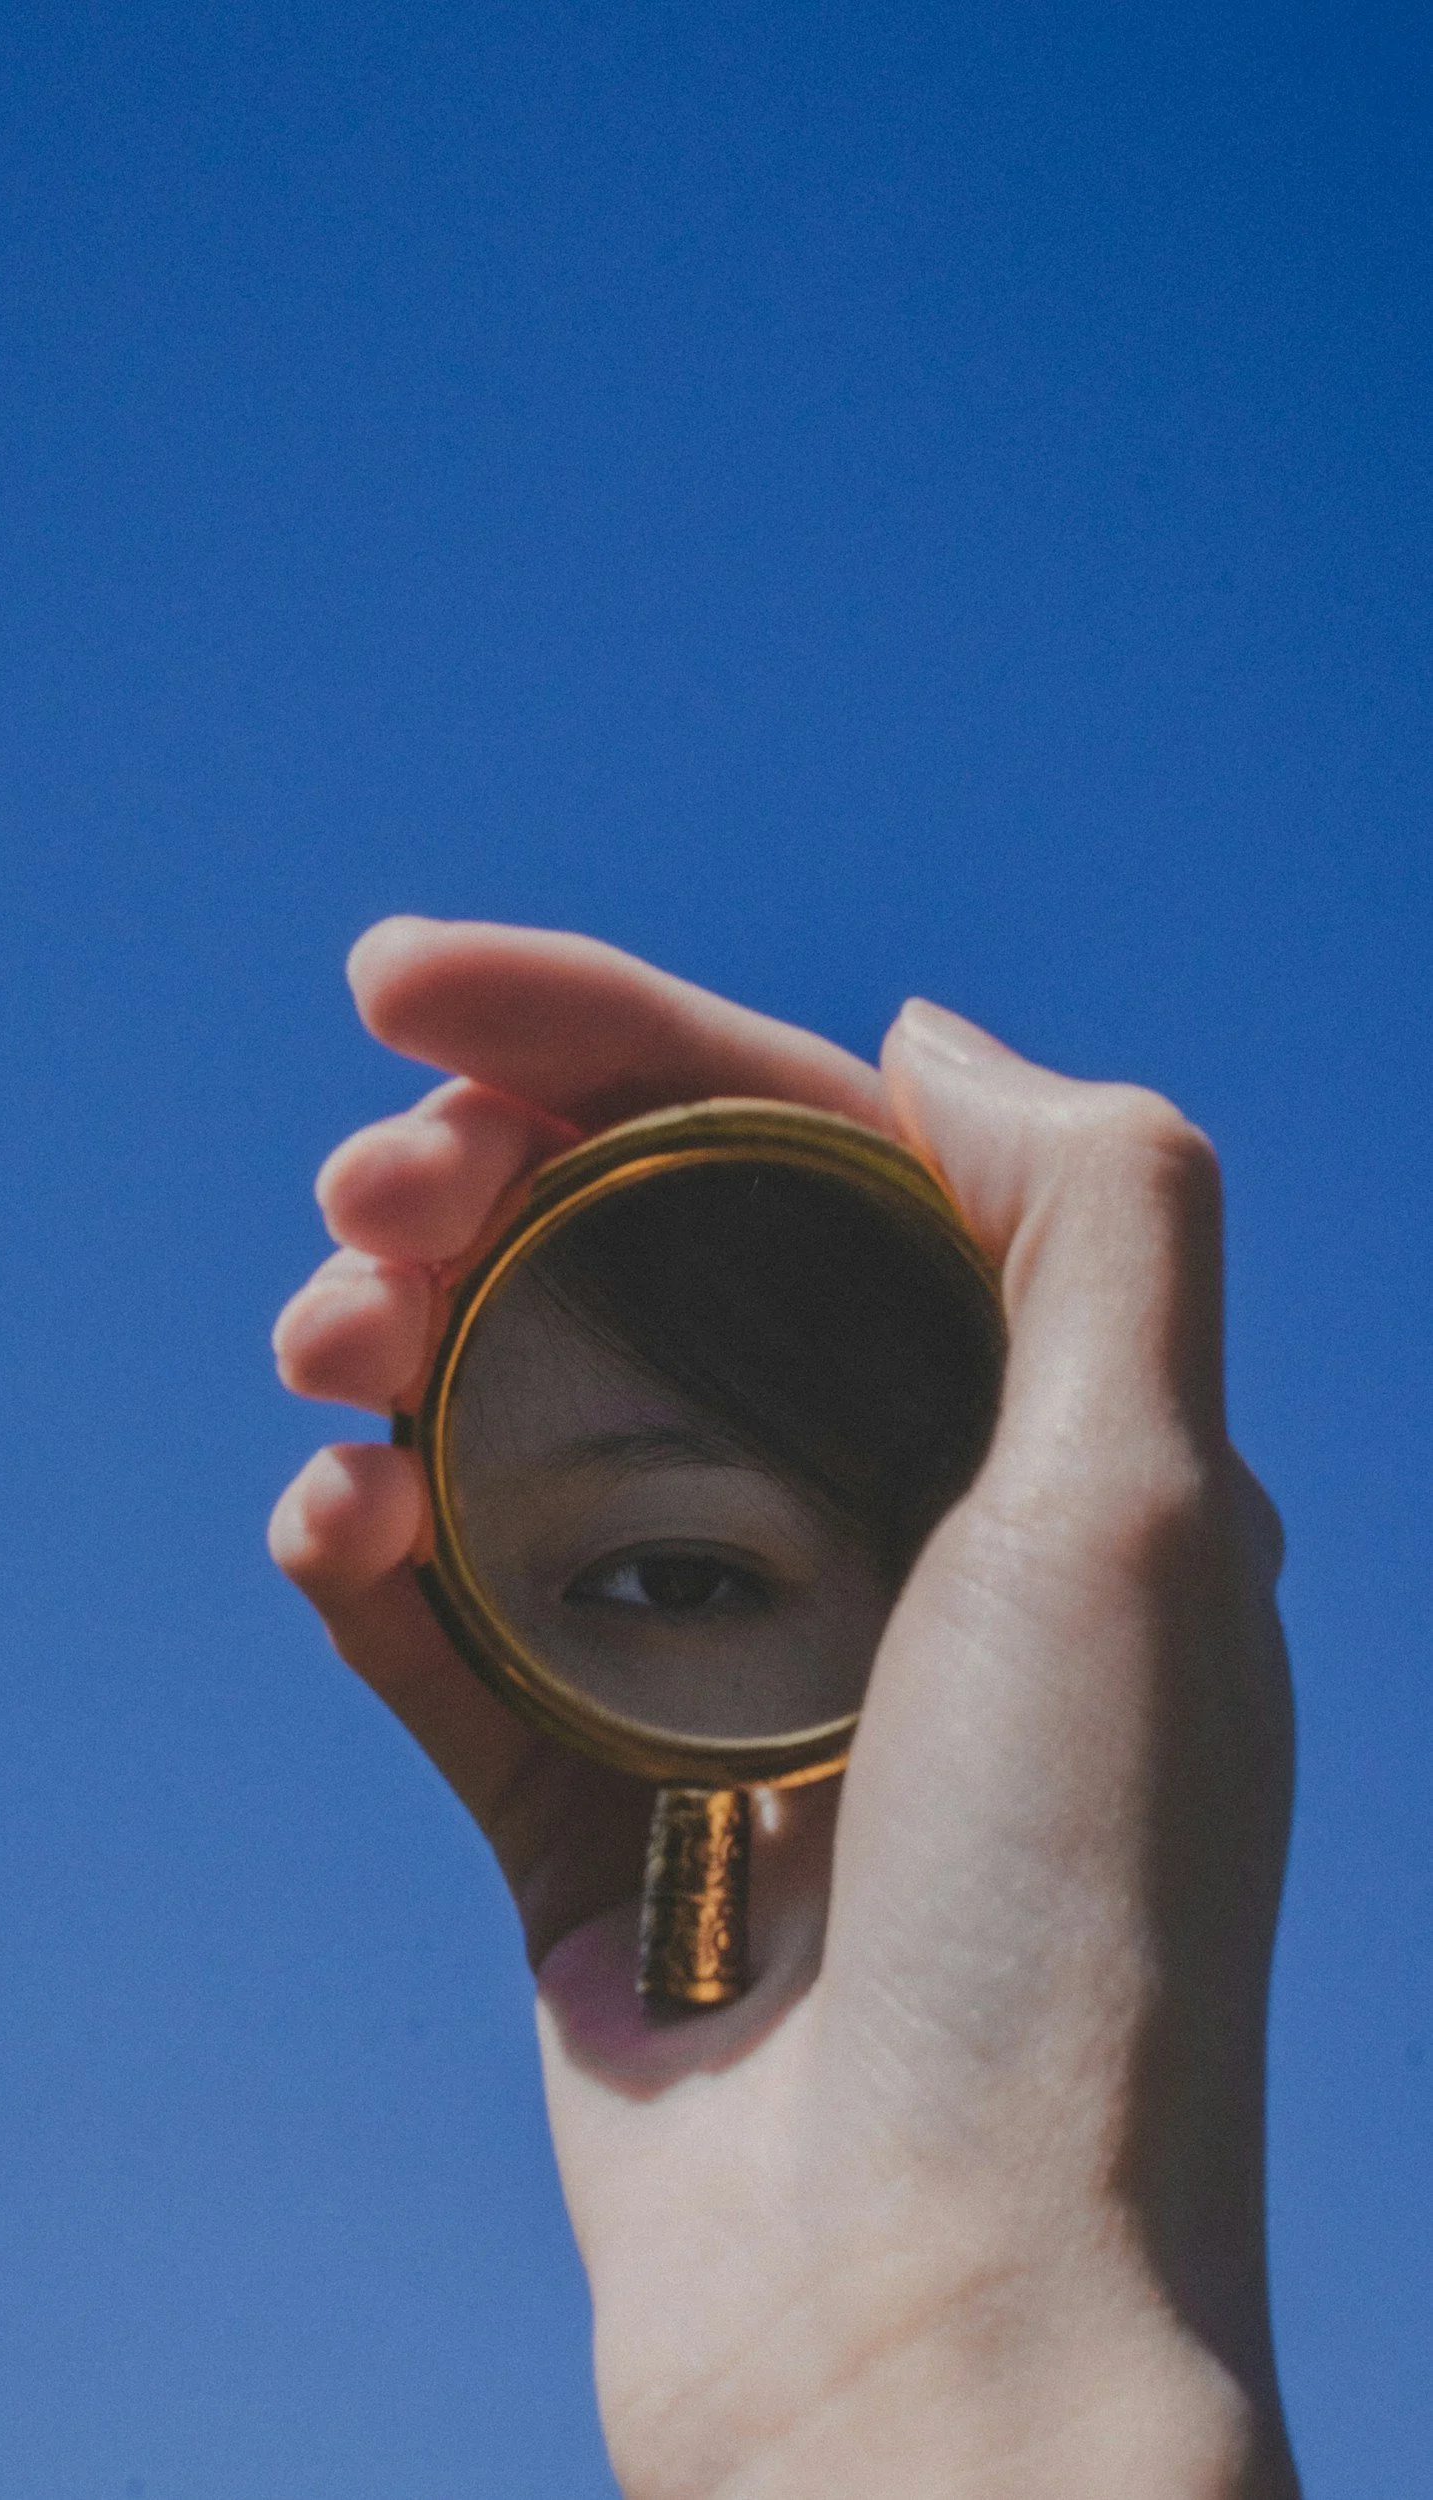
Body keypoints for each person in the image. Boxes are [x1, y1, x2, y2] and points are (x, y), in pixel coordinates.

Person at [269, 916, 1300, 2499]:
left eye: (686, 1581)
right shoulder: (681, 1909)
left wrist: (962, 2316)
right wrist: (925, 2377)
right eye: (645, 1587)